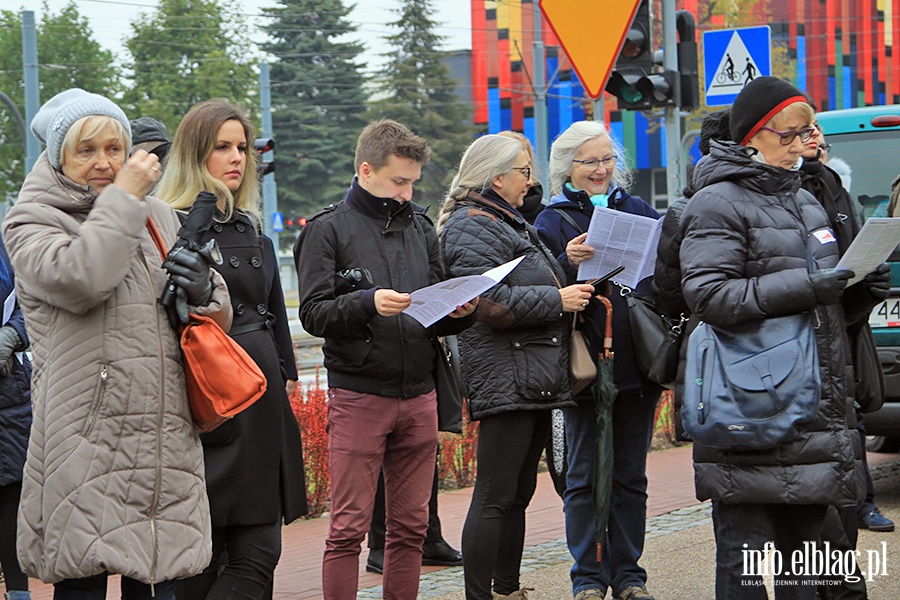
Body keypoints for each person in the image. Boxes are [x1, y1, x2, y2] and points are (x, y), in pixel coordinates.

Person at [3, 88, 232, 598]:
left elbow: (217, 312)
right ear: (58, 156)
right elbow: (85, 277)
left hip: (162, 432)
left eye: (114, 148)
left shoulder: (158, 214)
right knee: (83, 582)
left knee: (159, 583)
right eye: (86, 150)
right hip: (85, 436)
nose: (104, 163)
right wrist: (125, 199)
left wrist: (202, 288)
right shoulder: (31, 219)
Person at [673, 76, 887, 597]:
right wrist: (811, 286)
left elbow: (821, 306)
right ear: (752, 137)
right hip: (748, 405)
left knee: (807, 567)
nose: (799, 145)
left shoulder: (807, 201)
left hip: (811, 406)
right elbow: (709, 297)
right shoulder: (716, 202)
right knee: (745, 566)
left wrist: (859, 290)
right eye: (787, 135)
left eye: (806, 133)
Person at [296, 119, 477, 600]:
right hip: (359, 393)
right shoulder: (326, 229)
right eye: (400, 181)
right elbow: (313, 314)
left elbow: (435, 307)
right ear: (366, 170)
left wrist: (461, 311)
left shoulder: (419, 225)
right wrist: (366, 302)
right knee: (348, 529)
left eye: (414, 182)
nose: (407, 191)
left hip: (419, 392)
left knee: (411, 528)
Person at [156, 98, 308, 600]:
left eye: (242, 147)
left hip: (260, 405)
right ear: (194, 154)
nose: (237, 158)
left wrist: (286, 375)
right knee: (211, 560)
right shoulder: (169, 225)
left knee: (256, 553)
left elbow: (273, 318)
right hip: (210, 404)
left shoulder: (251, 229)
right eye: (222, 147)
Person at [437, 134, 594, 600]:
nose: (532, 180)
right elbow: (485, 302)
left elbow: (520, 282)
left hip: (531, 371)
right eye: (525, 171)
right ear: (497, 176)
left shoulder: (505, 220)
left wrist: (566, 262)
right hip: (506, 372)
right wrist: (557, 298)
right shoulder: (471, 224)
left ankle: (506, 590)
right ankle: (481, 595)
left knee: (517, 492)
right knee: (495, 494)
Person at [533, 121, 661, 600]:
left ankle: (629, 575)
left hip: (636, 364)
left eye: (608, 159)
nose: (602, 169)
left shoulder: (639, 209)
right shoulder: (551, 220)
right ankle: (587, 577)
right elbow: (542, 289)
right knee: (583, 476)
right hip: (582, 366)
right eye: (590, 162)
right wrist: (566, 261)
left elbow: (660, 276)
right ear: (568, 167)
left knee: (630, 474)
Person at [0, 234, 32, 600]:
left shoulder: (6, 244)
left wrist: (12, 334)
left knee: (12, 498)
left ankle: (20, 593)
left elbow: (31, 302)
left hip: (9, 395)